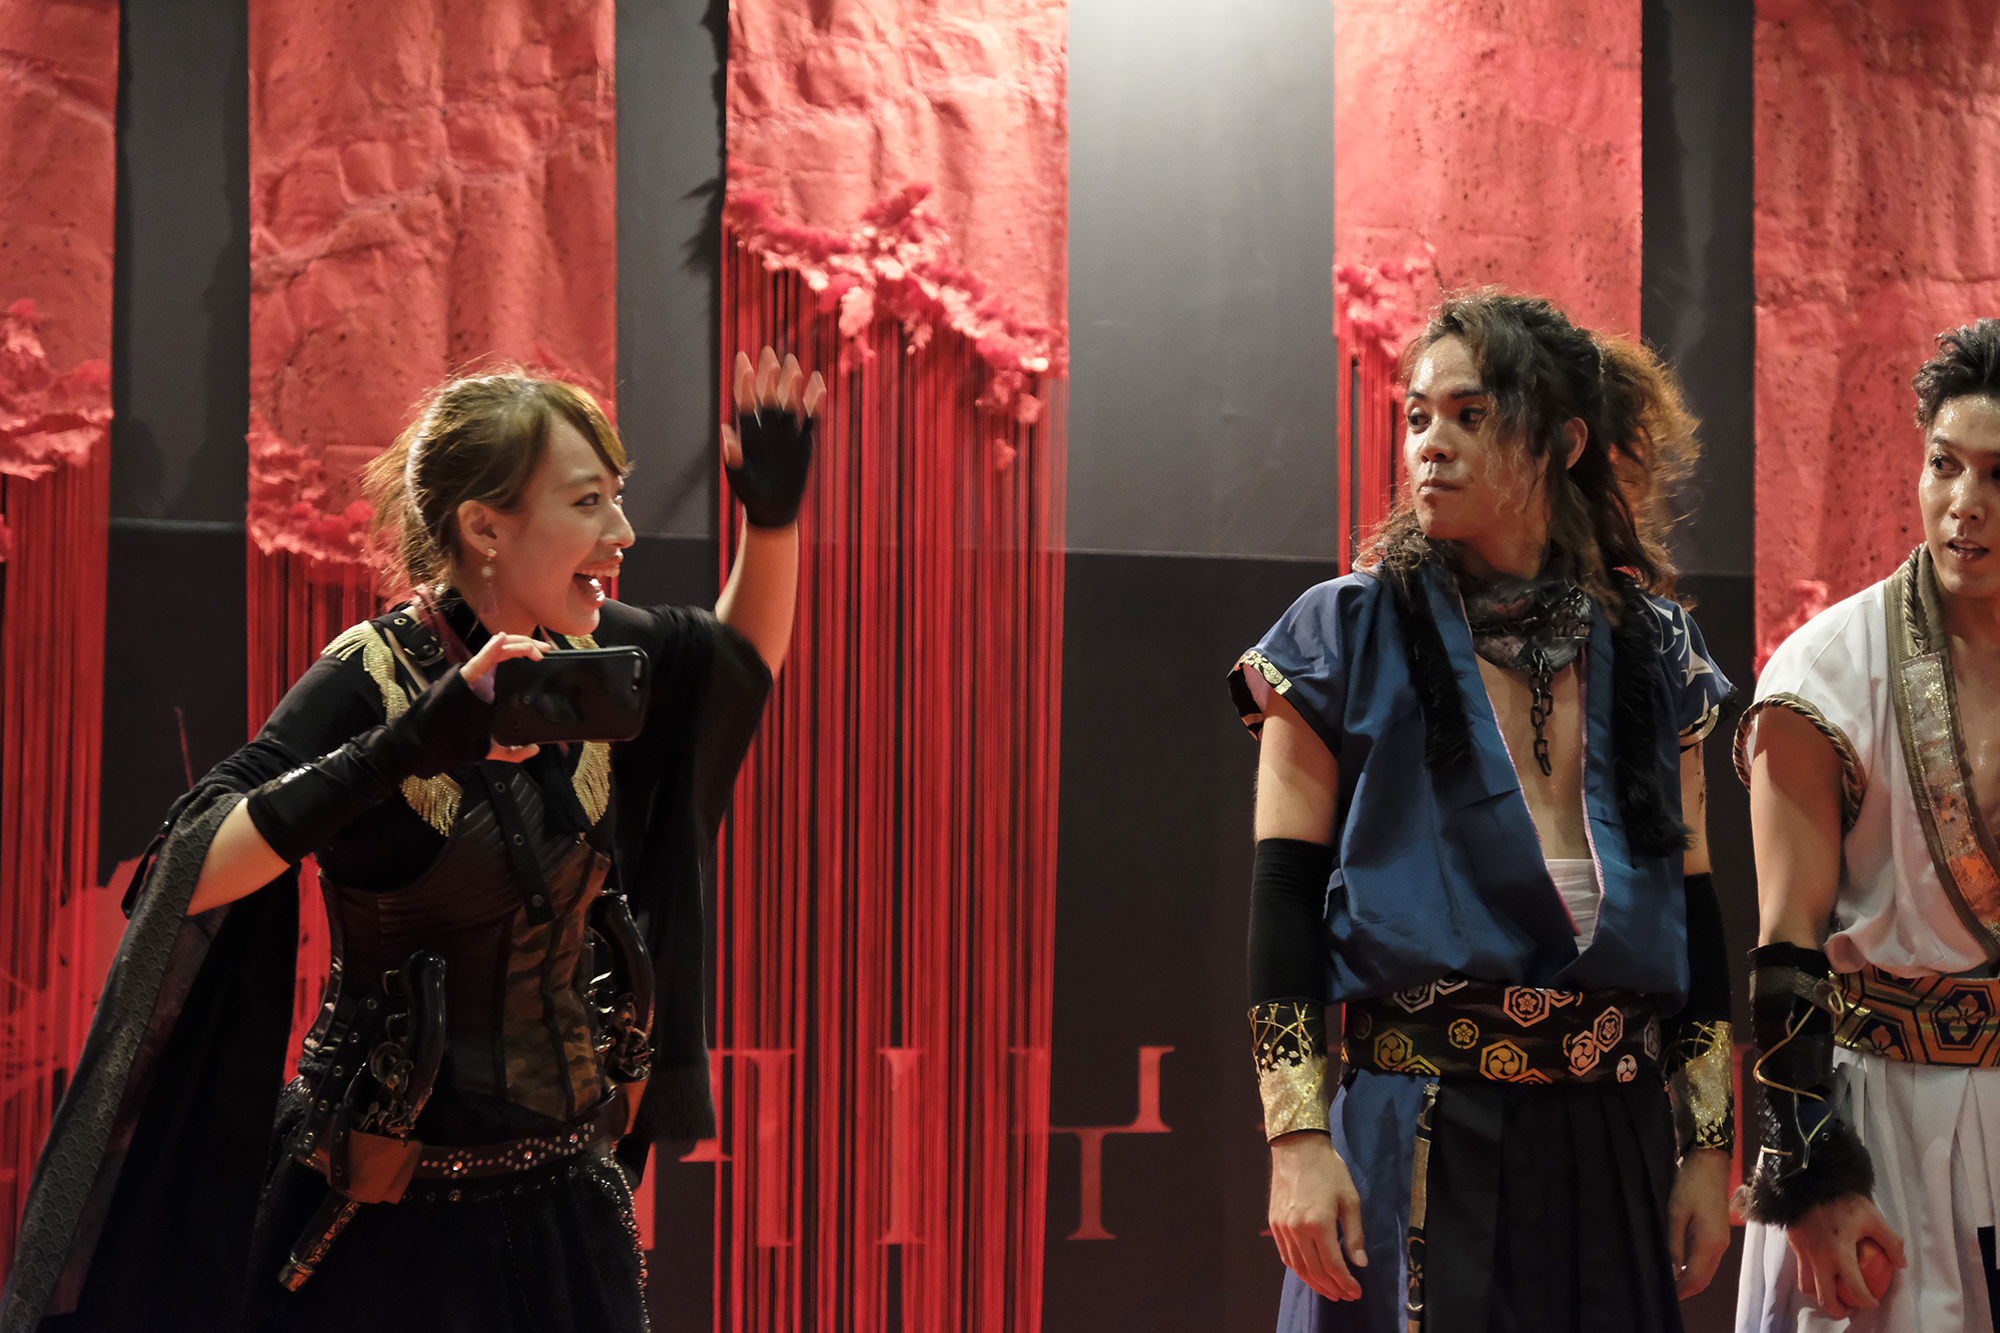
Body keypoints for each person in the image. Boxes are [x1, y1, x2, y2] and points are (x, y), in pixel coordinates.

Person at [0, 348, 821, 1333]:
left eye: (617, 497)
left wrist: (773, 520)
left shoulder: (591, 664)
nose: (622, 531)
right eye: (588, 501)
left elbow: (733, 668)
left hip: (567, 1214)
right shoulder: (371, 674)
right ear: (484, 525)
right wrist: (407, 744)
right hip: (377, 1234)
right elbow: (189, 870)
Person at [1230, 291, 1736, 1331]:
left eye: (1470, 415)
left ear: (1561, 442)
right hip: (1412, 1128)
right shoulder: (1341, 634)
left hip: (1610, 1139)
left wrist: (1707, 1144)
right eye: (1418, 416)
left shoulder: (1654, 652)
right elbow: (1282, 894)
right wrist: (1295, 1138)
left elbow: (1696, 913)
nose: (1431, 444)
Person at [1734, 320, 2000, 1330]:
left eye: (1998, 475)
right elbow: (1784, 951)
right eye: (1944, 464)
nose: (1965, 503)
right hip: (1876, 1120)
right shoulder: (1823, 675)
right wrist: (1808, 1179)